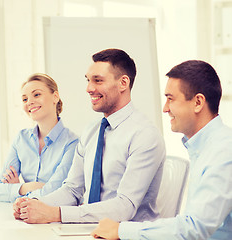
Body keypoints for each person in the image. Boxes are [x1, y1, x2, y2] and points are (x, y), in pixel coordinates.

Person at [13, 48, 166, 223]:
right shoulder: (91, 131)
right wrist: (33, 204)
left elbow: (125, 207)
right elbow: (72, 190)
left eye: (98, 81)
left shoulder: (144, 135)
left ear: (123, 83)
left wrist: (55, 214)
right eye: (88, 81)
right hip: (88, 229)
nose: (89, 88)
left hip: (127, 233)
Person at [91, 60, 232, 240]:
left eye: (170, 99)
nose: (165, 108)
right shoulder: (205, 147)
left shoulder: (223, 151)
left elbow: (195, 228)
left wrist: (121, 231)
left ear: (198, 102)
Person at [0, 73, 78, 202]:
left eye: (37, 94)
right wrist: (28, 187)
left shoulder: (72, 143)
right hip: (25, 218)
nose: (30, 102)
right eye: (24, 99)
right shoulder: (21, 139)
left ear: (55, 97)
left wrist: (17, 188)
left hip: (57, 219)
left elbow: (56, 192)